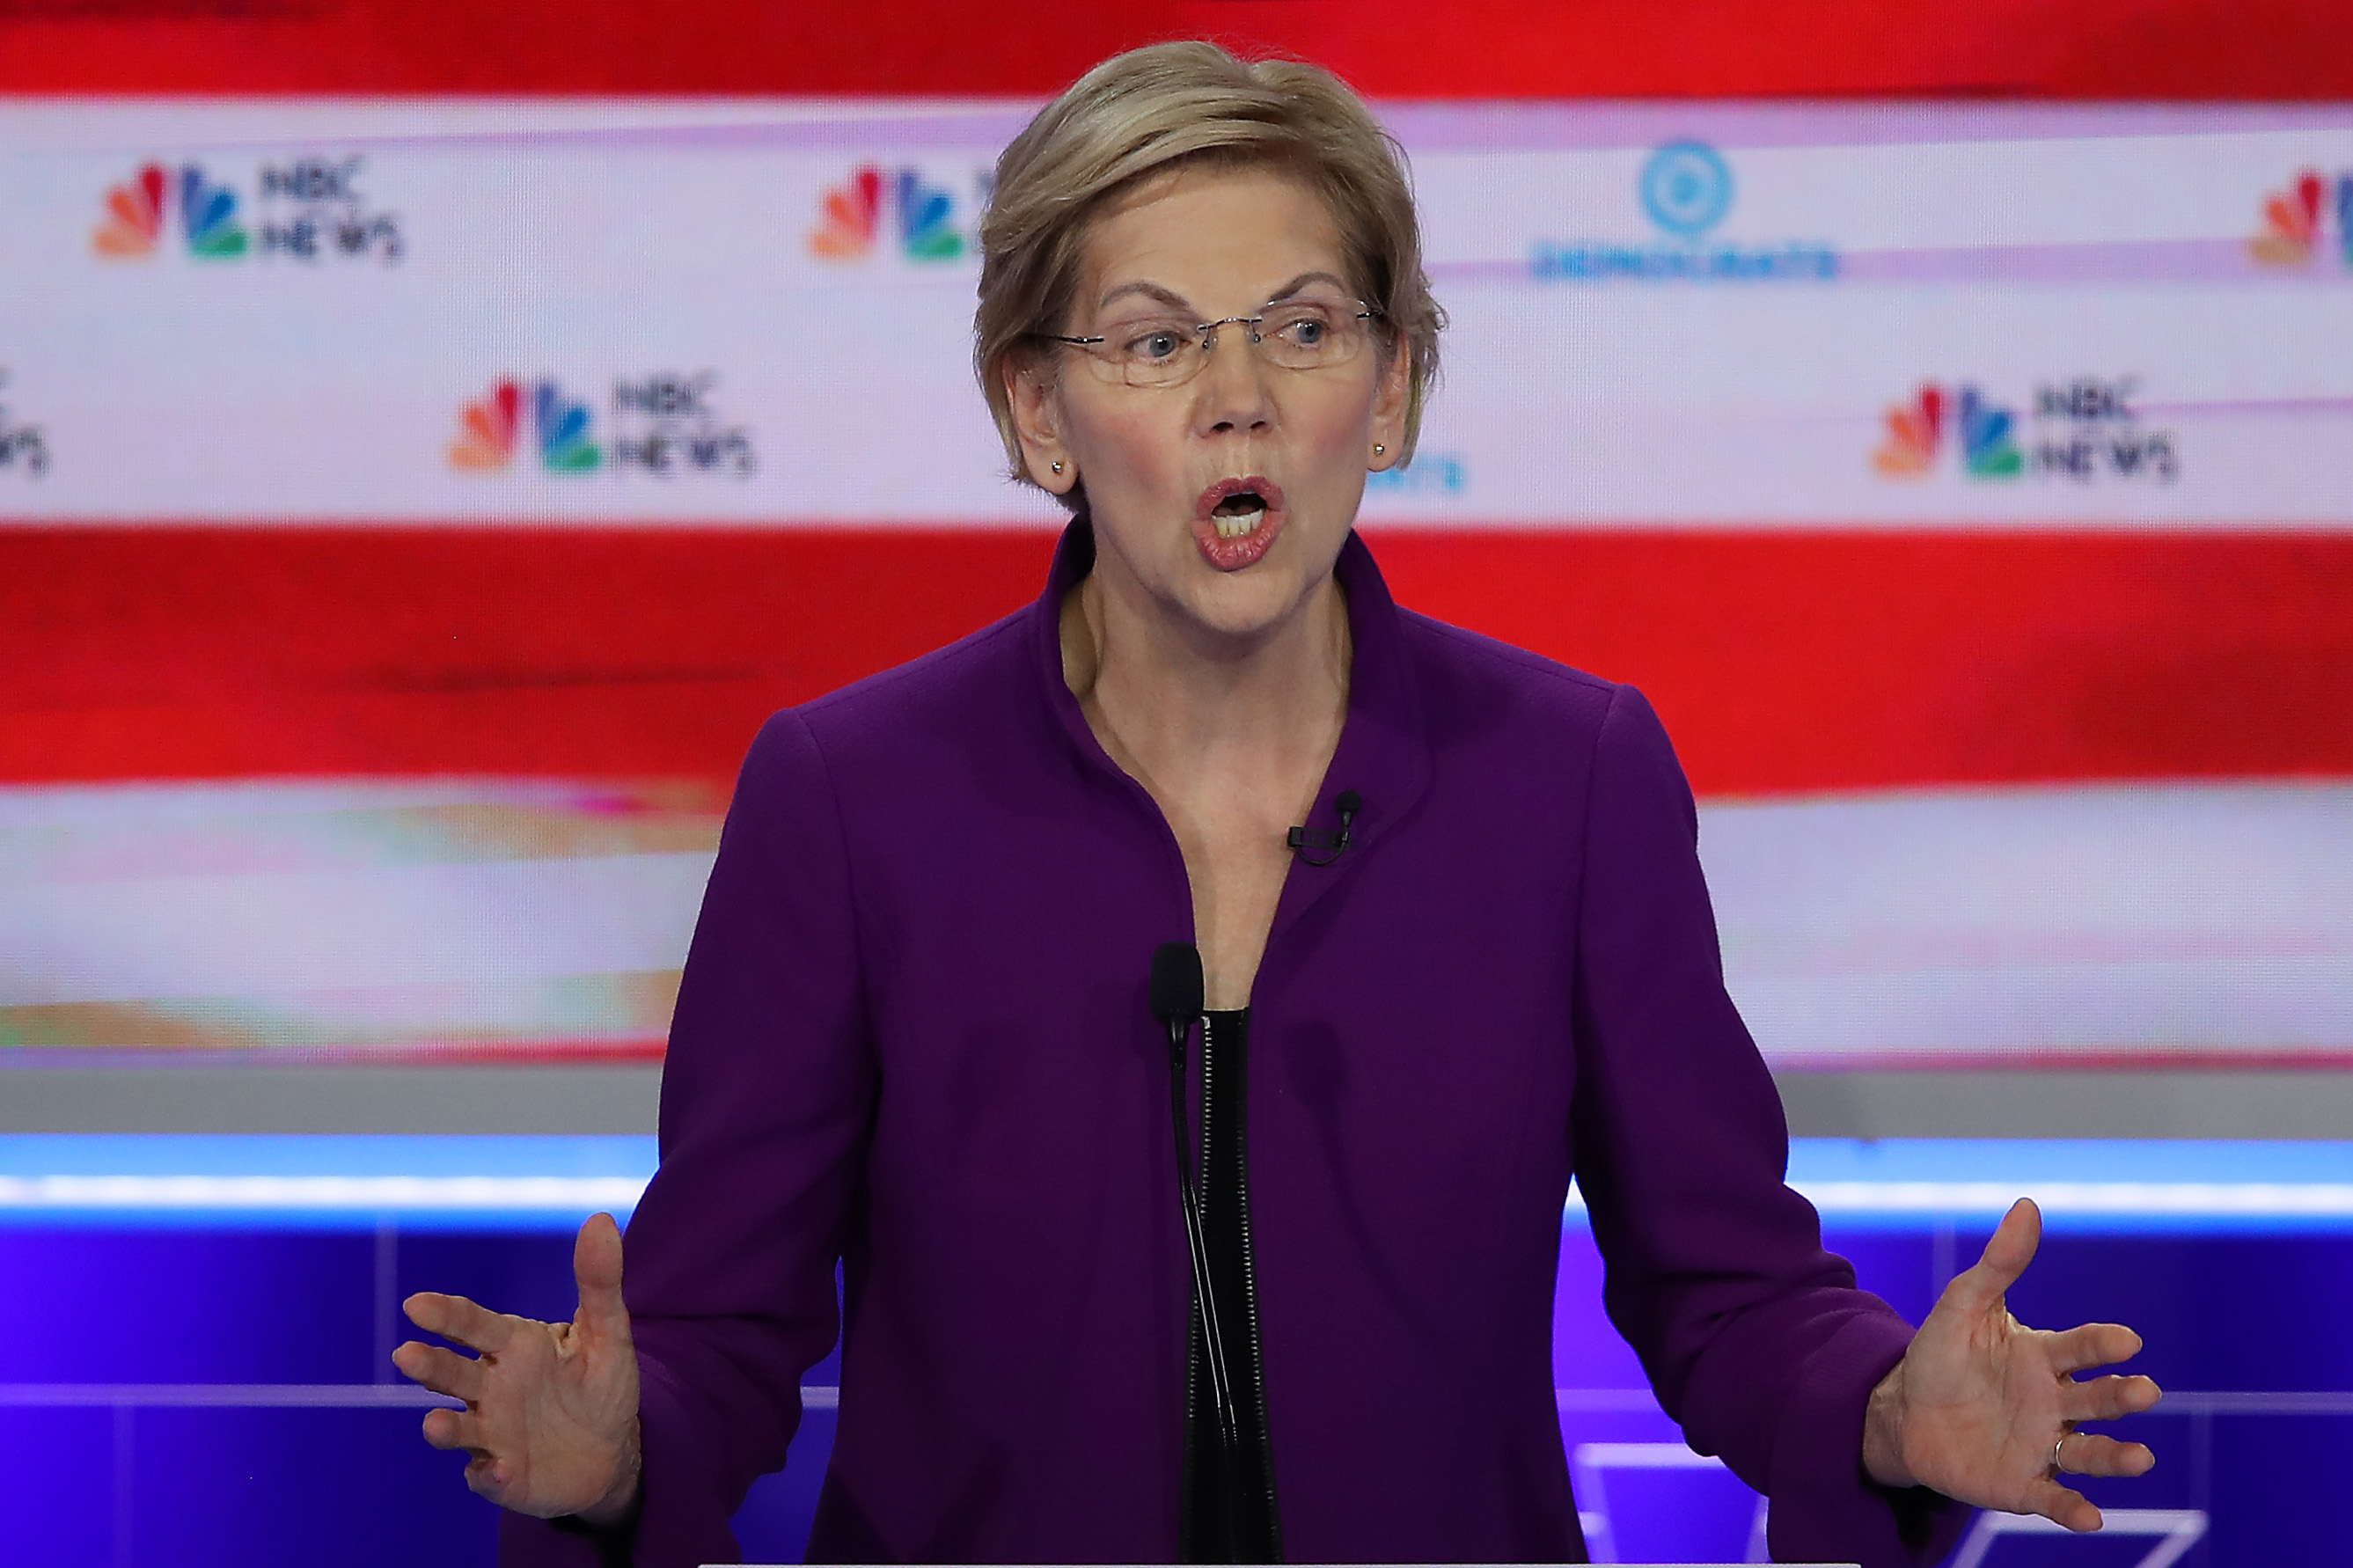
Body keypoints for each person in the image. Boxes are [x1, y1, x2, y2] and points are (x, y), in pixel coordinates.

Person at [393, 40, 2162, 1567]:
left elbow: (1725, 1293)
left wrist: (1875, 1411)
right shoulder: (852, 802)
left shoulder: (1565, 782)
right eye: (1153, 344)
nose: (1239, 397)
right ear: (1038, 415)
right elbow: (717, 1330)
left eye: (1303, 330)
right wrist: (613, 1461)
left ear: (1388, 390)